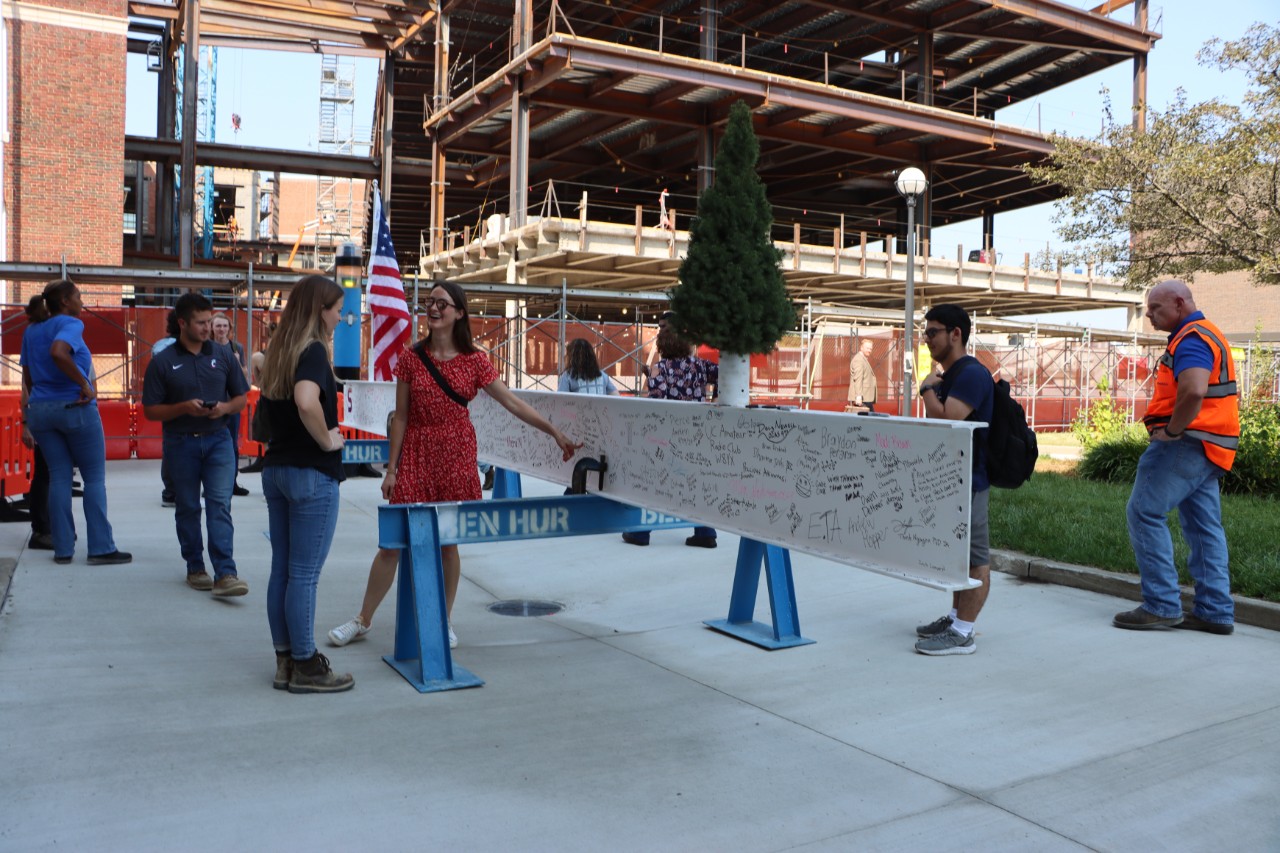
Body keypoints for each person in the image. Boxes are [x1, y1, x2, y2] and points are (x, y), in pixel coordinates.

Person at [328, 281, 579, 650]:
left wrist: (554, 432)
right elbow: (401, 416)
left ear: (459, 312)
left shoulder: (475, 361)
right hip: (415, 451)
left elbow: (512, 403)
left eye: (442, 303)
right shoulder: (411, 359)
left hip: (457, 454)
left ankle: (443, 620)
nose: (433, 308)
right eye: (429, 302)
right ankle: (362, 619)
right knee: (392, 543)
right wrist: (392, 469)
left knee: (448, 544)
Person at [1114, 280, 1239, 635]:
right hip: (1213, 445)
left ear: (1180, 303)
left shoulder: (1192, 338)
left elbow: (1195, 389)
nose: (1149, 316)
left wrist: (1170, 432)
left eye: (1155, 308)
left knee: (1144, 512)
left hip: (1186, 441)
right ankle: (1215, 611)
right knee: (1204, 527)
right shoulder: (1207, 333)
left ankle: (1161, 604)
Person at [258, 274, 353, 693]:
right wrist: (327, 439)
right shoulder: (313, 350)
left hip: (276, 469)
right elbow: (305, 399)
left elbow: (259, 369)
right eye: (336, 309)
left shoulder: (281, 348)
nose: (340, 316)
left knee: (282, 570)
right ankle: (306, 665)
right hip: (311, 473)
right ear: (320, 310)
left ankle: (285, 661)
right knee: (304, 575)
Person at [142, 293, 250, 597]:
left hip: (218, 440)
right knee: (188, 507)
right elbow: (150, 410)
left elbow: (240, 398)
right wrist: (184, 408)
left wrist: (225, 409)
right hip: (181, 444)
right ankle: (195, 566)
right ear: (182, 323)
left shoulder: (224, 355)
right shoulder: (163, 362)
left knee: (219, 505)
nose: (207, 328)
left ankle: (226, 573)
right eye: (201, 323)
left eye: (209, 321)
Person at [20, 279, 131, 565]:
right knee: (94, 478)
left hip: (41, 408)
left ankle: (63, 548)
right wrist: (84, 383)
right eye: (79, 296)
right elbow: (59, 352)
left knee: (58, 477)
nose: (82, 302)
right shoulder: (70, 324)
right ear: (66, 302)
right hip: (75, 406)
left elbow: (28, 376)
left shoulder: (31, 330)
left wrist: (40, 401)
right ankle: (100, 548)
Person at [914, 304, 993, 656]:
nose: (927, 338)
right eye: (925, 332)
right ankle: (954, 616)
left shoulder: (971, 374)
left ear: (955, 334)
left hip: (971, 480)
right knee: (959, 558)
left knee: (975, 559)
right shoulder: (952, 375)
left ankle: (964, 632)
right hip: (952, 479)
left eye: (933, 332)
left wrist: (927, 389)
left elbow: (949, 422)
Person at [622, 324, 719, 549]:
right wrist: (714, 401)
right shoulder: (702, 366)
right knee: (694, 482)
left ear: (664, 344)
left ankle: (641, 533)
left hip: (666, 436)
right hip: (695, 433)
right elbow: (726, 375)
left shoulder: (660, 368)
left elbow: (654, 403)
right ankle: (705, 532)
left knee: (654, 481)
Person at [19, 299, 53, 551]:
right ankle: (42, 529)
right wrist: (25, 422)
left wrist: (27, 421)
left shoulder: (32, 333)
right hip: (47, 411)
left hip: (41, 410)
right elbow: (26, 383)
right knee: (46, 475)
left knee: (47, 474)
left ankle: (46, 528)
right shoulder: (41, 334)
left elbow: (27, 381)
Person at [211, 312, 251, 496]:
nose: (221, 329)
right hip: (214, 403)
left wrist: (237, 363)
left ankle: (232, 482)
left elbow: (244, 373)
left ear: (230, 328)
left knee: (232, 443)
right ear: (212, 328)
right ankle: (212, 483)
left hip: (232, 402)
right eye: (218, 326)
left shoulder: (237, 347)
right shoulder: (207, 348)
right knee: (212, 443)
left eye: (224, 326)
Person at [241, 319, 276, 474]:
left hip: (270, 400)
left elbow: (259, 382)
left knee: (270, 444)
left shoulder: (259, 357)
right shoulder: (260, 357)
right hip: (272, 402)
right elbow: (259, 382)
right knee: (269, 443)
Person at [152, 311, 179, 507]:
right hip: (180, 402)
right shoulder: (175, 347)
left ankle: (170, 491)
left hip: (166, 403)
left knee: (170, 447)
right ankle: (174, 491)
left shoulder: (160, 346)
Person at [847, 338, 879, 412]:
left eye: (871, 348)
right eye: (867, 348)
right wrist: (858, 396)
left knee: (869, 420)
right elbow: (858, 379)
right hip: (862, 399)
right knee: (868, 420)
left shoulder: (862, 359)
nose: (869, 350)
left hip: (865, 397)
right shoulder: (859, 360)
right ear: (861, 348)